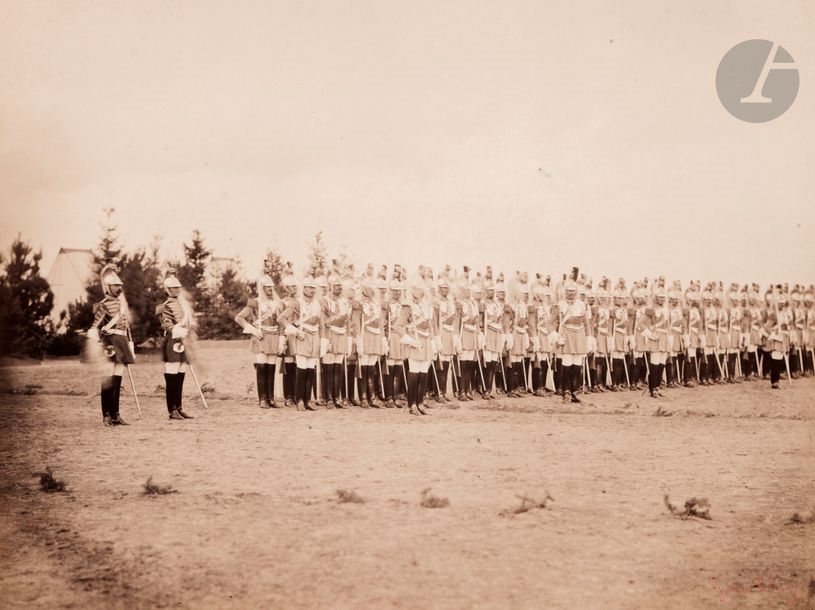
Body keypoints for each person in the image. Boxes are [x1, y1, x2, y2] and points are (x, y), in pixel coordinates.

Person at [87, 264, 135, 426]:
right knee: (108, 379)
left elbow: (126, 327)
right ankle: (106, 414)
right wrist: (95, 338)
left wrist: (130, 344)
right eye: (115, 285)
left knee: (118, 379)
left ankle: (116, 414)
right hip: (109, 342)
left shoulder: (122, 305)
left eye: (119, 285)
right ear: (108, 287)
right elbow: (95, 326)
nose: (118, 288)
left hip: (122, 341)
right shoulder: (103, 305)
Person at [234, 275, 284, 408]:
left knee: (271, 367)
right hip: (261, 336)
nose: (270, 289)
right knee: (262, 366)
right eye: (267, 287)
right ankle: (262, 398)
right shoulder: (255, 303)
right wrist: (252, 329)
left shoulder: (277, 303)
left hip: (274, 336)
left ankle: (270, 398)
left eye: (272, 287)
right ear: (262, 288)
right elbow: (239, 318)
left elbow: (280, 323)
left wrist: (281, 339)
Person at [159, 273, 194, 420]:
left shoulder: (182, 304)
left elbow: (188, 322)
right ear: (167, 289)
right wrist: (176, 330)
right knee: (172, 375)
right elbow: (166, 324)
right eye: (174, 288)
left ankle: (179, 407)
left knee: (181, 374)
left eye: (178, 287)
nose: (177, 290)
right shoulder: (165, 306)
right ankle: (171, 409)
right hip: (172, 341)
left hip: (183, 341)